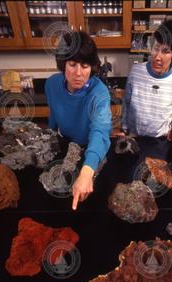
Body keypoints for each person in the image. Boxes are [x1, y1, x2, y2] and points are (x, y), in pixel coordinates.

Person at [45, 31, 112, 210]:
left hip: (92, 149)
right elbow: (53, 116)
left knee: (90, 203)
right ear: (62, 64)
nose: (78, 73)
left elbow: (100, 132)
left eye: (85, 65)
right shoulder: (51, 84)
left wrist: (87, 172)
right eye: (72, 64)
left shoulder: (99, 93)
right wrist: (49, 138)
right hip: (65, 144)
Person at [120, 20, 172, 138]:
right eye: (156, 48)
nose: (157, 57)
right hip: (134, 137)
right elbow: (126, 102)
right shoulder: (136, 71)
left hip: (161, 140)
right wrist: (124, 128)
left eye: (165, 51)